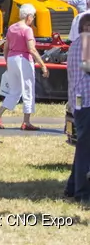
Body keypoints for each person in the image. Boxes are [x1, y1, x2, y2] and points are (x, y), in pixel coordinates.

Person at [0, 3, 49, 130]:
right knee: (28, 89)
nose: (33, 19)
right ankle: (26, 121)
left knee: (15, 91)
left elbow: (5, 47)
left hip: (11, 59)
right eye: (33, 16)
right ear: (28, 16)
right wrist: (43, 65)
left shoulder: (11, 28)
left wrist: (7, 62)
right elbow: (31, 49)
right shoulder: (27, 30)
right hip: (24, 60)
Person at [65, 14, 90, 203]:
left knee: (83, 146)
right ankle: (82, 192)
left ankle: (72, 187)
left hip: (78, 100)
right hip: (87, 101)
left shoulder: (74, 44)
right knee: (85, 148)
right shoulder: (86, 41)